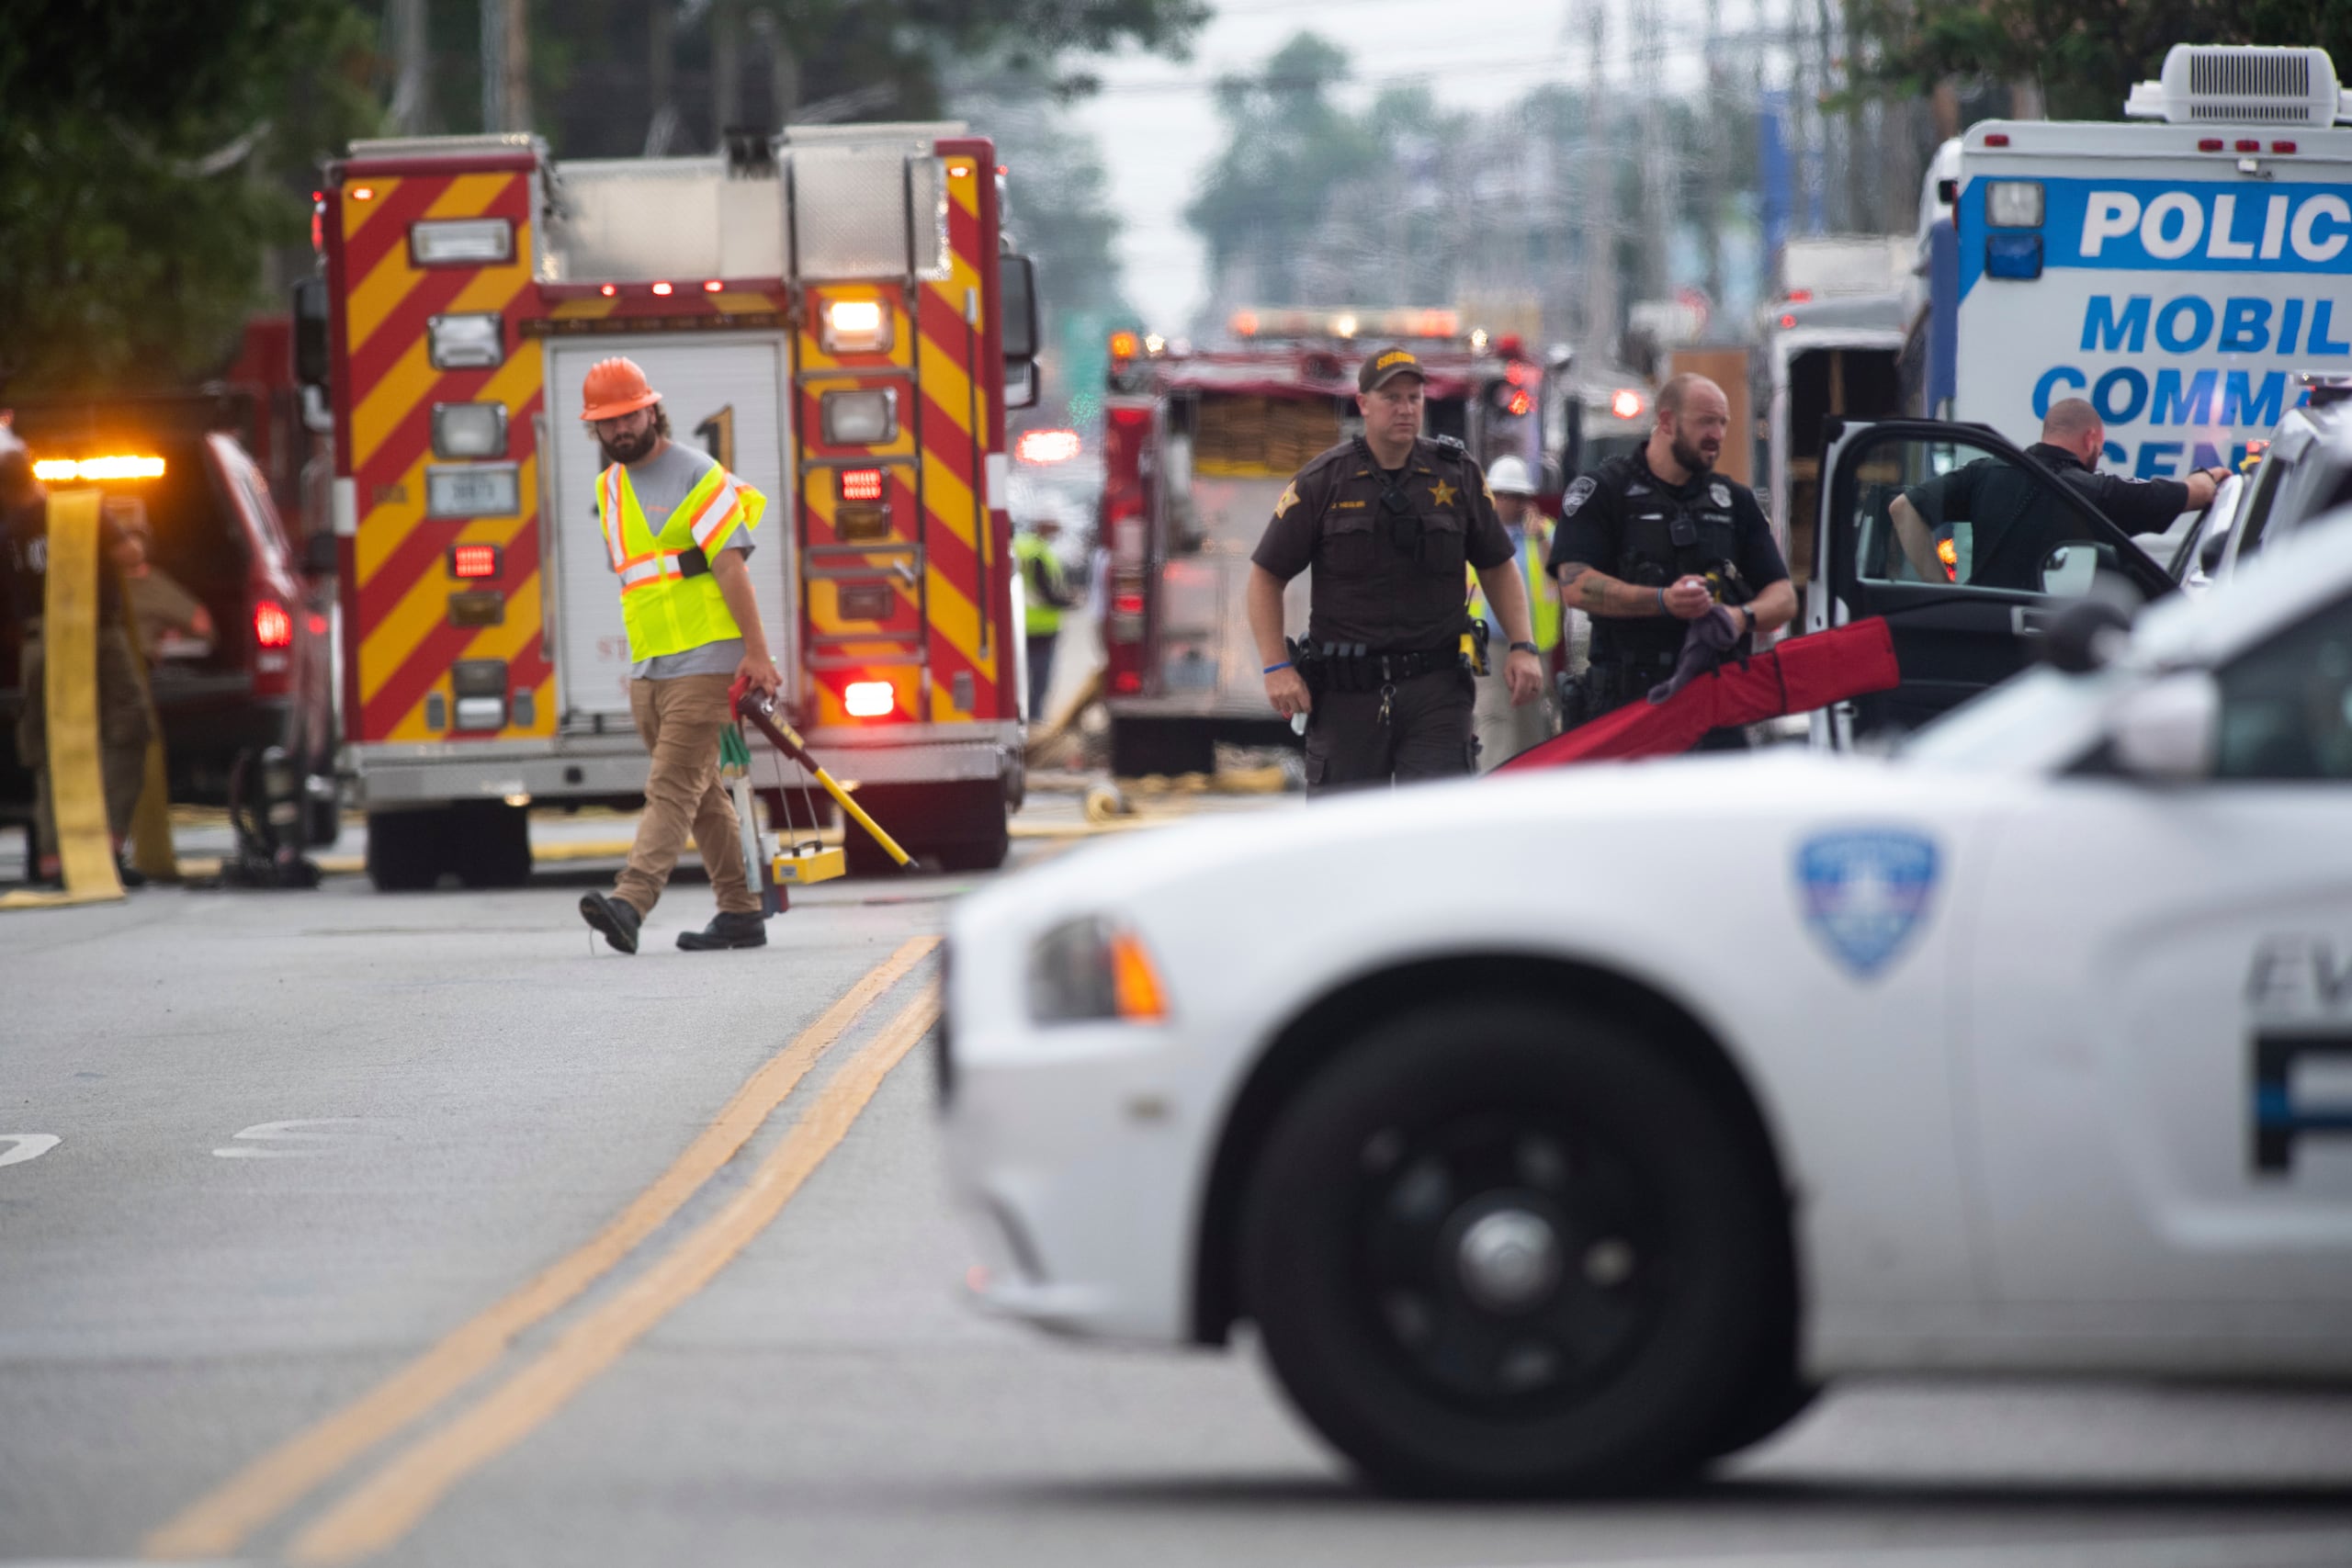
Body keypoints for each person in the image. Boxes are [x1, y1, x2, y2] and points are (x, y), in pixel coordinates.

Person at [1247, 344, 1544, 795]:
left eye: (1414, 397)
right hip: (1347, 693)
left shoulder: (1457, 476)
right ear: (1363, 404)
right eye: (1392, 398)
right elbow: (1266, 576)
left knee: (1433, 831)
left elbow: (1498, 565)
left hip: (1437, 689)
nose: (1405, 408)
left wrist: (1523, 646)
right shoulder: (1323, 481)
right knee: (1345, 834)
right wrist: (1276, 667)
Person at [573, 356, 780, 954]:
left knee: (669, 787)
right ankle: (741, 911)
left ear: (651, 409)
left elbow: (730, 568)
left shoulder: (699, 474)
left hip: (708, 662)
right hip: (650, 669)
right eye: (606, 422)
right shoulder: (608, 487)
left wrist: (757, 655)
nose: (620, 430)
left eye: (629, 415)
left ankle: (630, 902)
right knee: (701, 793)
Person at [1548, 372, 1798, 749]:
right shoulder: (1604, 491)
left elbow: (1784, 598)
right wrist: (1663, 601)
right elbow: (1576, 586)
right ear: (1666, 421)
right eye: (1705, 421)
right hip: (1629, 704)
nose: (1717, 433)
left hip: (1713, 704)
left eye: (1723, 422)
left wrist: (1739, 616)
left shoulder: (1734, 502)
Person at [3, 436, 153, 886]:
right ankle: (106, 844)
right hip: (96, 636)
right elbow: (131, 556)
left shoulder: (8, 531)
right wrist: (139, 530)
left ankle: (52, 857)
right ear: (31, 471)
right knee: (127, 727)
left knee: (51, 746)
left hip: (37, 643)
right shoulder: (82, 511)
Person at [1889, 397, 2225, 591]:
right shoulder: (2100, 492)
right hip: (2061, 643)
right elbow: (2196, 493)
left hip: (1981, 631)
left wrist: (1943, 592)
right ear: (2092, 438)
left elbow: (1903, 509)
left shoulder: (1984, 474)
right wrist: (2212, 476)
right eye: (2100, 448)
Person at [1466, 454, 1559, 767]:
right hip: (1485, 642)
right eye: (1501, 494)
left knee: (1530, 723)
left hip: (1533, 642)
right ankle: (1494, 791)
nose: (1507, 502)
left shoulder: (1545, 531)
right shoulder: (1475, 531)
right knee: (1492, 716)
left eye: (1514, 495)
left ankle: (1529, 792)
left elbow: (1562, 580)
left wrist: (1541, 540)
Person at [107, 499, 215, 660]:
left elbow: (203, 627)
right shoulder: (96, 582)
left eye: (133, 538)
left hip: (137, 664)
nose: (131, 547)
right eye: (121, 540)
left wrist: (172, 639)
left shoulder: (155, 585)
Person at [1014, 516, 1073, 722]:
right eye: (1055, 525)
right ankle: (1034, 717)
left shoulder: (1020, 545)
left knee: (1020, 675)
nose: (1058, 530)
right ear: (1042, 524)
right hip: (1041, 626)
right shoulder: (1038, 552)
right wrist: (1068, 602)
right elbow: (1045, 591)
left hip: (1020, 624)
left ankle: (1021, 715)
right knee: (1040, 676)